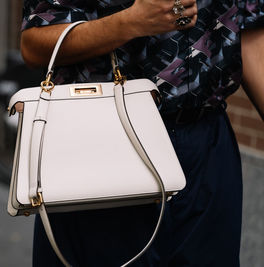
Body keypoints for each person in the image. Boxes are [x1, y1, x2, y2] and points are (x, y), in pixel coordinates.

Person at [20, 0, 264, 266]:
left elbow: (252, 44)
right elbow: (35, 46)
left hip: (206, 147)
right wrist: (129, 23)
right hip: (103, 144)